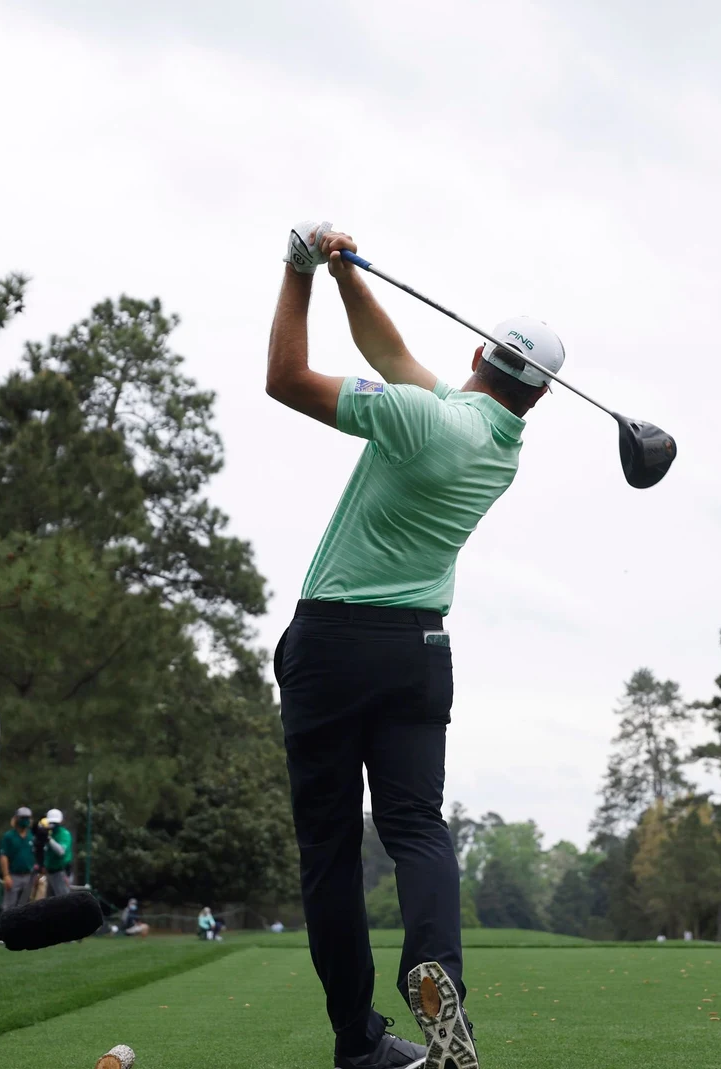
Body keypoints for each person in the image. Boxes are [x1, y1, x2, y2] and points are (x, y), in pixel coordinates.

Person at [269, 221, 545, 1069]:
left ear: (475, 353)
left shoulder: (422, 419)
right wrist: (347, 273)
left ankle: (359, 1041)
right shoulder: (498, 445)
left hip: (335, 641)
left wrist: (297, 270)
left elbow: (284, 380)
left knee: (330, 850)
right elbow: (392, 354)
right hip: (421, 651)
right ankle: (436, 971)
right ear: (531, 396)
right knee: (417, 827)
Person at [0, 806, 37, 912]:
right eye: (23, 818)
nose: (26, 821)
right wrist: (6, 875)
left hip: (29, 875)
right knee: (9, 906)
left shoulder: (32, 836)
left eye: (28, 818)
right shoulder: (9, 836)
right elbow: (4, 856)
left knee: (28, 905)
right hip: (14, 876)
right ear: (17, 819)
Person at [40, 809, 74, 898]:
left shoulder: (64, 834)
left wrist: (49, 839)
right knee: (50, 901)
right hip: (50, 872)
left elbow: (61, 851)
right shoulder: (50, 834)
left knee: (63, 900)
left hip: (61, 872)